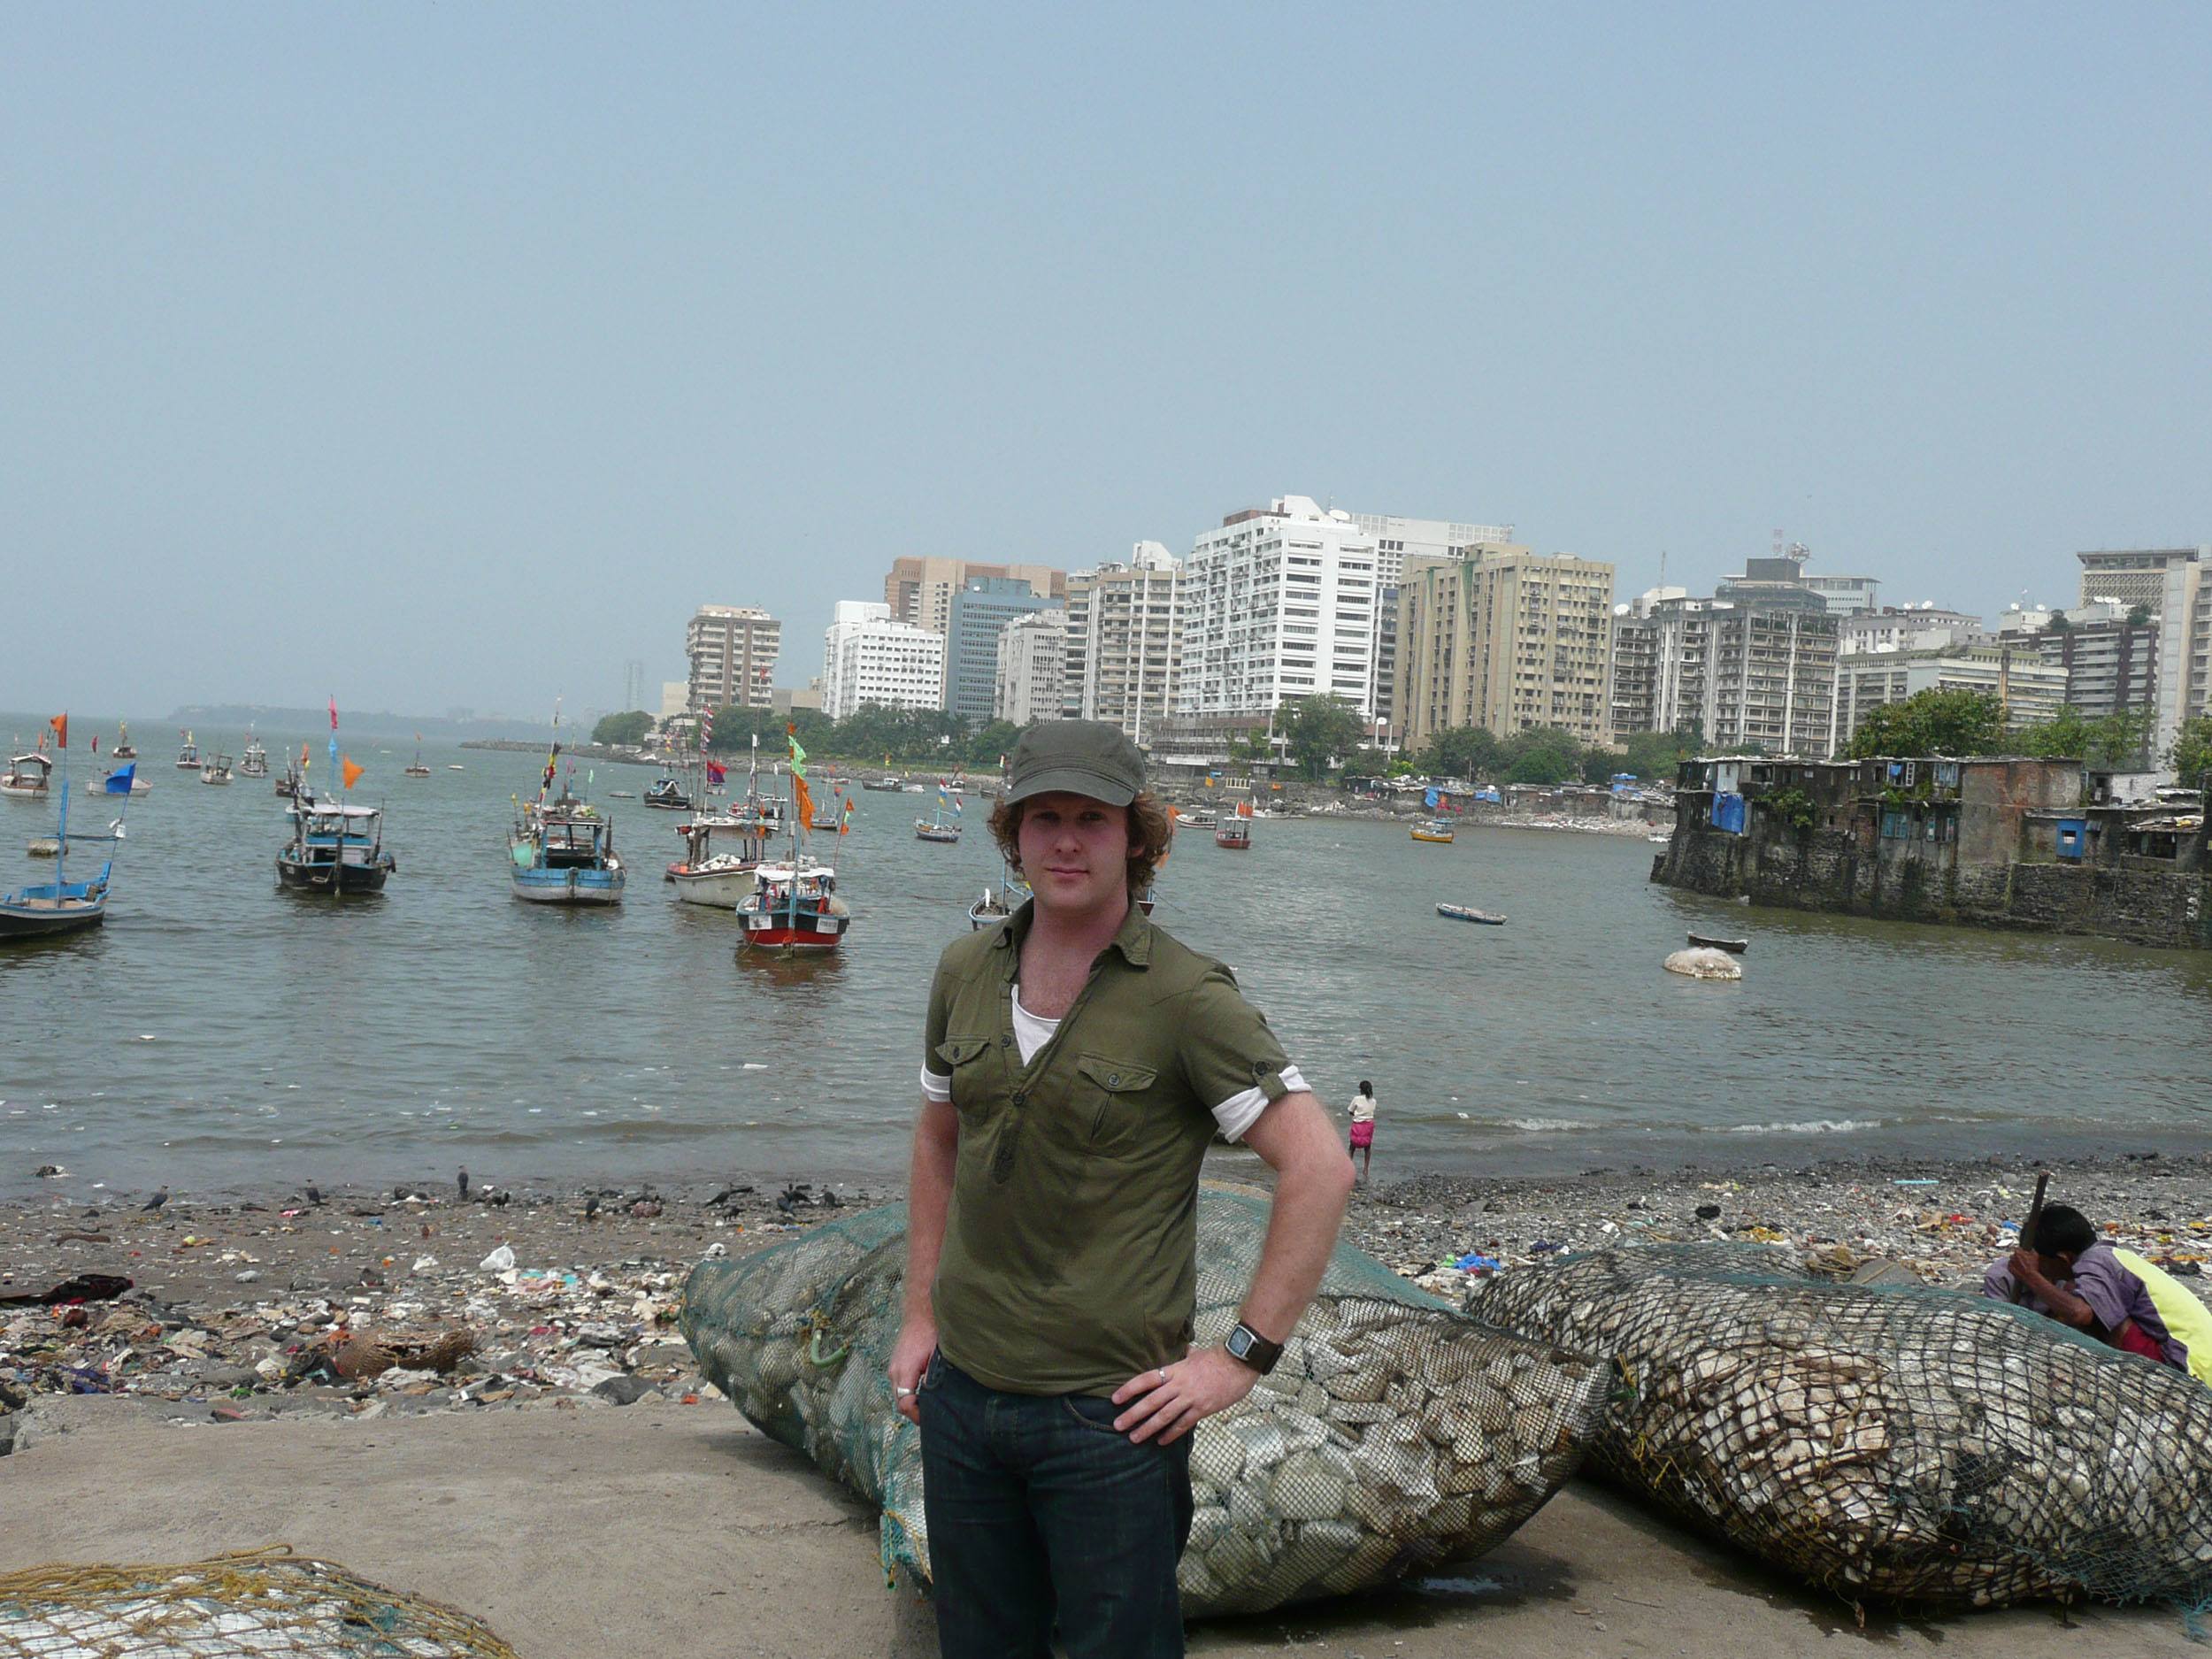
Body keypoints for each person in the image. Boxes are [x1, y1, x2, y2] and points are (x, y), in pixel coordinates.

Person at [888, 720, 1356, 1659]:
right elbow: (940, 1141)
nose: (1066, 840)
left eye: (1092, 820)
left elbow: (1318, 1166)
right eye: (1043, 817)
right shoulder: (964, 971)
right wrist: (917, 1317)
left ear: (1135, 839)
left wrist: (1237, 1360)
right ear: (1010, 836)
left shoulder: (1186, 998)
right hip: (965, 1398)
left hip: (1107, 1419)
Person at [1982, 1202, 2211, 1384]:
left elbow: (2080, 1313)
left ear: (2064, 1258)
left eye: (2042, 1263)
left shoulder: (2097, 1261)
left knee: (2103, 1317)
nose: (2042, 1270)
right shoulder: (2112, 1255)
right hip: (2198, 1356)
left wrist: (2031, 1276)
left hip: (2188, 1365)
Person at [1348, 1080, 1378, 1181]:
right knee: (1367, 1147)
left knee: (1352, 1146)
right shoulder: (1373, 1101)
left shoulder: (1356, 1099)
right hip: (1369, 1125)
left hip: (1358, 1125)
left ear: (1361, 1089)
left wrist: (1355, 1115)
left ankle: (1349, 1166)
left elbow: (1350, 1110)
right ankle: (1366, 1168)